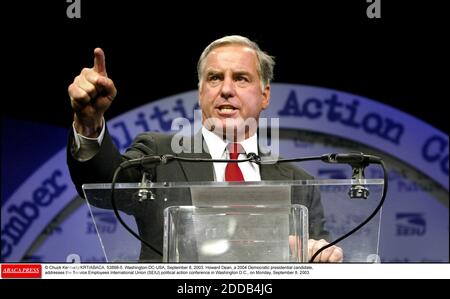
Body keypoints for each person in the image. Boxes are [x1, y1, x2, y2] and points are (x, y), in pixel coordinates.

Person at [67, 35, 343, 262]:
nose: (226, 89)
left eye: (241, 78)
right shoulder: (158, 155)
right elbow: (101, 187)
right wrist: (88, 123)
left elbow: (319, 254)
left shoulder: (299, 182)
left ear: (265, 95)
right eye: (214, 78)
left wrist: (323, 256)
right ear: (201, 93)